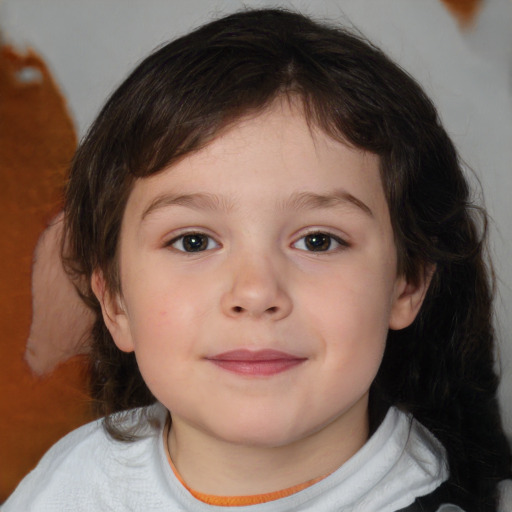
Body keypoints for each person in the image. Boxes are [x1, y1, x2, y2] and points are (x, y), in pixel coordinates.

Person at [3, 8, 511, 512]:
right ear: (114, 301)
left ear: (407, 284)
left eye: (318, 241)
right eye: (193, 242)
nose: (255, 292)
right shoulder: (71, 482)